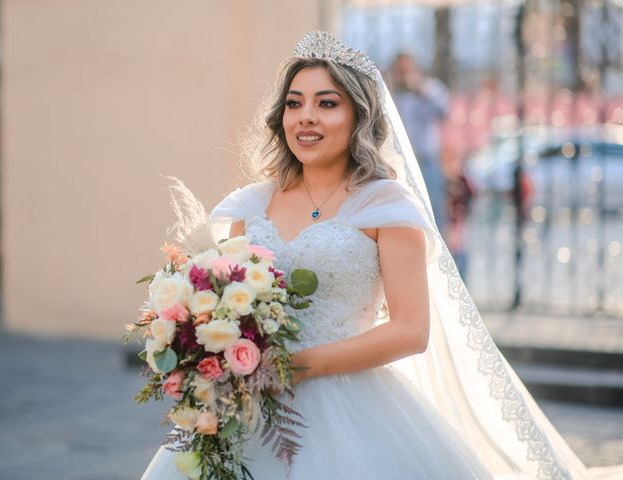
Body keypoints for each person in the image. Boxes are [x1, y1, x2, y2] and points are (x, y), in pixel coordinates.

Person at [142, 32, 592, 479]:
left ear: (359, 115)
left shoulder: (385, 205)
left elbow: (410, 330)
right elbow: (225, 290)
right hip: (249, 404)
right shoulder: (252, 204)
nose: (306, 118)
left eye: (327, 103)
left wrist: (295, 367)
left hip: (349, 405)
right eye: (294, 104)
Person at [389, 52, 449, 233]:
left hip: (427, 160)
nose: (404, 75)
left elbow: (444, 110)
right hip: (399, 163)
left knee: (434, 209)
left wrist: (419, 88)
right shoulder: (393, 94)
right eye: (400, 71)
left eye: (407, 70)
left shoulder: (429, 88)